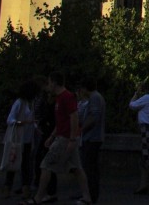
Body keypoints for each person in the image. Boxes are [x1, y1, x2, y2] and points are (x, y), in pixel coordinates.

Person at [24, 72, 91, 205]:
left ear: (54, 82)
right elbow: (62, 121)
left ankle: (38, 197)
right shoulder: (60, 98)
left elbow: (74, 117)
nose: (48, 86)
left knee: (46, 165)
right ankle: (87, 197)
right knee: (77, 168)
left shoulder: (66, 97)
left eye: (49, 83)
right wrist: (52, 136)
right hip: (63, 136)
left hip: (65, 138)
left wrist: (72, 139)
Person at [1, 80, 37, 198]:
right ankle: (8, 188)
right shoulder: (19, 103)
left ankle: (24, 189)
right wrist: (22, 122)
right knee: (13, 163)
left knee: (26, 165)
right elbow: (10, 119)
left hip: (27, 139)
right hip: (18, 138)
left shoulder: (30, 103)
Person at [77, 76, 105, 203]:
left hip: (92, 137)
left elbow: (94, 117)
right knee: (91, 167)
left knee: (89, 167)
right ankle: (90, 194)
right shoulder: (97, 97)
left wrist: (82, 129)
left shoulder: (94, 98)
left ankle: (91, 195)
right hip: (94, 137)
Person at [30, 75, 57, 199]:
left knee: (45, 161)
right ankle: (45, 188)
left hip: (46, 131)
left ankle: (45, 189)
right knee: (43, 160)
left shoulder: (47, 99)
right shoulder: (44, 98)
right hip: (45, 130)